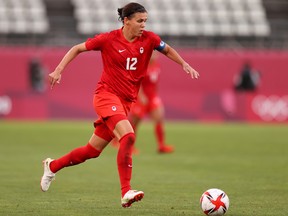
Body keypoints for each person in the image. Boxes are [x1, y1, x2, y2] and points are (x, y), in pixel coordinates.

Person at [40, 2, 199, 208]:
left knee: (92, 151)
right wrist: (58, 70)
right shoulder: (108, 39)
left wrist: (184, 63)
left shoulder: (149, 39)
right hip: (106, 96)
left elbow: (167, 49)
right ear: (126, 21)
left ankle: (52, 166)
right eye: (140, 21)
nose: (144, 25)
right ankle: (126, 191)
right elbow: (77, 48)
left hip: (125, 102)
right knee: (129, 135)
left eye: (145, 21)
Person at [128, 52, 174, 154]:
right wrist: (141, 96)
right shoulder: (142, 66)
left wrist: (155, 95)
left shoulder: (157, 65)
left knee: (159, 118)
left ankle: (161, 146)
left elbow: (154, 82)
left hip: (152, 97)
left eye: (156, 53)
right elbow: (136, 82)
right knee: (134, 122)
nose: (155, 55)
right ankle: (129, 147)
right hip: (141, 98)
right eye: (153, 53)